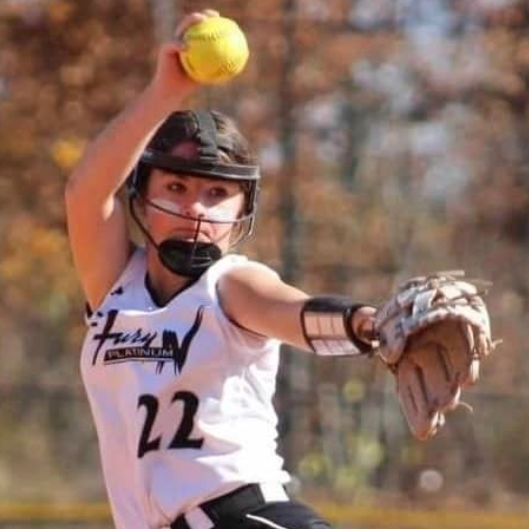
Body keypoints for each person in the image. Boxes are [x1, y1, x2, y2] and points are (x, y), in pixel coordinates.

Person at [65, 9, 378, 529]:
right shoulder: (115, 288)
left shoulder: (230, 284)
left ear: (241, 211)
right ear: (141, 200)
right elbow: (85, 192)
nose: (196, 208)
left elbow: (295, 313)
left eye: (217, 193)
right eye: (176, 187)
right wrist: (166, 91)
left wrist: (371, 325)